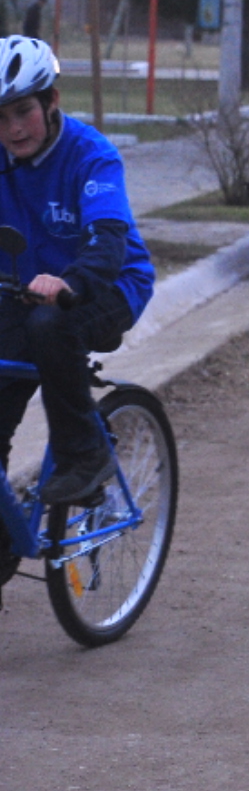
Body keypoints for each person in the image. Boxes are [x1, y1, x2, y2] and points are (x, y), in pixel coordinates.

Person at [0, 36, 154, 506]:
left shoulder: (92, 155)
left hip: (106, 286)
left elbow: (108, 243)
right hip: (22, 288)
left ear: (51, 100)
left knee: (50, 325)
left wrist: (71, 281)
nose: (12, 129)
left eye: (22, 110)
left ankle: (85, 454)